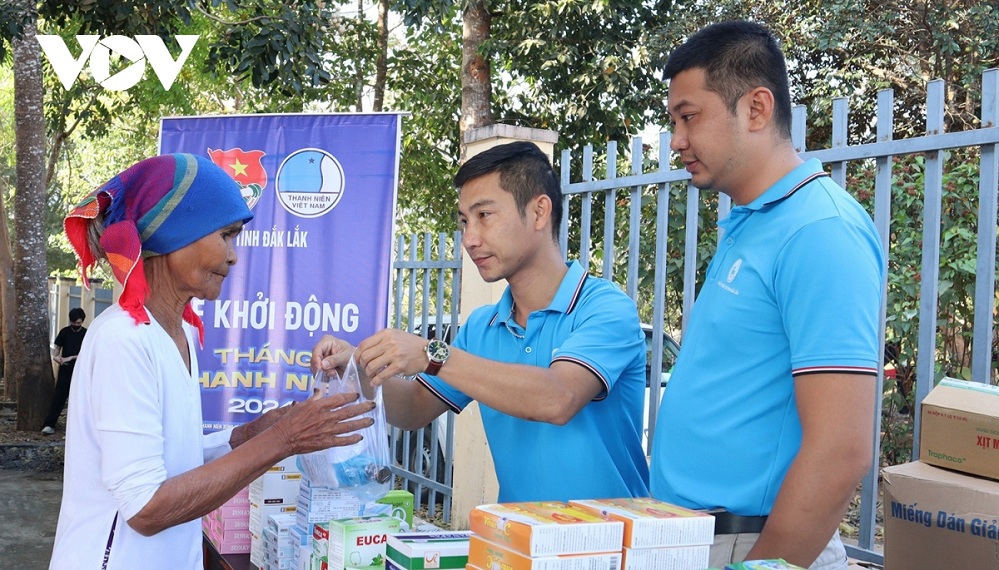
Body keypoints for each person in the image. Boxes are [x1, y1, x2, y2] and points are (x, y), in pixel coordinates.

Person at [49, 154, 376, 569]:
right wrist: (285, 439)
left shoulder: (180, 331)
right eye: (226, 235)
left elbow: (169, 457)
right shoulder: (124, 338)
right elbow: (146, 508)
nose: (234, 256)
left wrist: (248, 435)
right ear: (174, 234)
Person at [648, 21, 886, 569]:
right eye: (673, 122)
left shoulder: (818, 229)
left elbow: (842, 449)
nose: (676, 140)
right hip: (702, 539)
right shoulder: (754, 223)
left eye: (689, 116)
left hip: (755, 546)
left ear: (756, 108)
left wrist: (760, 565)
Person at [313, 141, 650, 502]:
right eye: (464, 222)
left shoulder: (605, 308)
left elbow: (558, 398)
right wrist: (360, 366)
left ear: (539, 212)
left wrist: (431, 354)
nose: (470, 239)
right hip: (515, 534)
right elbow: (413, 408)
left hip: (611, 535)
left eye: (484, 215)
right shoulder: (481, 327)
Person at [41, 307, 88, 434]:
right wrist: (56, 357)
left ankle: (80, 427)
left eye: (78, 323)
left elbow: (86, 353)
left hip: (80, 370)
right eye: (74, 322)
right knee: (59, 397)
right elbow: (57, 348)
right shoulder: (65, 332)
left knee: (80, 399)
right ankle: (49, 424)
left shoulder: (86, 334)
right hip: (65, 370)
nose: (76, 325)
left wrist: (70, 357)